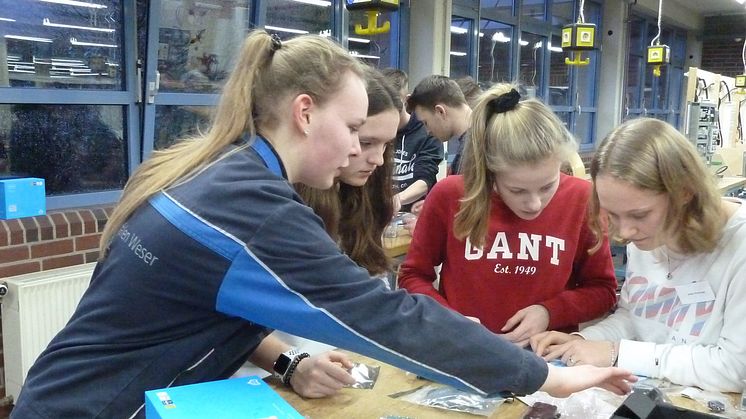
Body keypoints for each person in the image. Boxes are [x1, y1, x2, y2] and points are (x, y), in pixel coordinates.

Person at [12, 32, 635, 419]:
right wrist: (547, 376)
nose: (361, 156)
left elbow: (209, 309)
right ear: (305, 113)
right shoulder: (253, 210)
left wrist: (285, 364)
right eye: (355, 131)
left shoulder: (222, 178)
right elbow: (386, 316)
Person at [530, 118, 746, 393]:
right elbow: (635, 318)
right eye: (613, 215)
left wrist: (615, 352)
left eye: (639, 215)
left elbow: (733, 369)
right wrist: (580, 342)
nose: (624, 232)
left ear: (685, 192)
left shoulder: (739, 246)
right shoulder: (648, 235)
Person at [398, 83, 619, 348]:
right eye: (517, 190)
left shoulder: (582, 198)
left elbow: (604, 291)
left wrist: (550, 311)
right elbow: (413, 276)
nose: (534, 204)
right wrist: (448, 320)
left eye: (548, 186)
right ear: (490, 173)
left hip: (544, 359)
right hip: (463, 349)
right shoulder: (450, 195)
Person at [381, 68, 443, 212]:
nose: (389, 111)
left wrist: (396, 200)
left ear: (406, 100)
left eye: (395, 104)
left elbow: (426, 178)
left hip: (414, 213)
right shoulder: (377, 131)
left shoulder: (426, 130)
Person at [406, 74, 472, 175]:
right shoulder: (477, 141)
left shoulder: (474, 152)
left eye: (426, 123)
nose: (427, 132)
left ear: (440, 111)